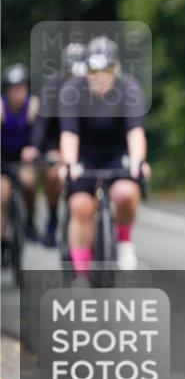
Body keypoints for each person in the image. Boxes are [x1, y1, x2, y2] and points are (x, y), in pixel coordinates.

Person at [59, 37, 150, 280]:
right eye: (93, 71)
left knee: (126, 193)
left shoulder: (128, 88)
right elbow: (69, 134)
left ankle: (124, 241)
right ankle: (81, 274)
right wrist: (69, 164)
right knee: (81, 206)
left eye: (106, 71)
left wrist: (137, 161)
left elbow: (135, 132)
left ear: (115, 69)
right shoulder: (72, 91)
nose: (100, 77)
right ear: (85, 71)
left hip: (116, 152)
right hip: (84, 154)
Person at [23, 42, 87, 247]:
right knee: (52, 173)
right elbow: (42, 121)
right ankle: (53, 216)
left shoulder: (94, 86)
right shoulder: (53, 86)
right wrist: (35, 146)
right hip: (57, 140)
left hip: (87, 141)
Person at [1, 64, 40, 259]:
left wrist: (34, 147)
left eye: (22, 87)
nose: (18, 92)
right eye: (14, 88)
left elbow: (41, 132)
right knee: (2, 194)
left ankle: (30, 218)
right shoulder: (1, 107)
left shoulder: (33, 107)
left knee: (28, 182)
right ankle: (2, 241)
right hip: (3, 159)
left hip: (25, 158)